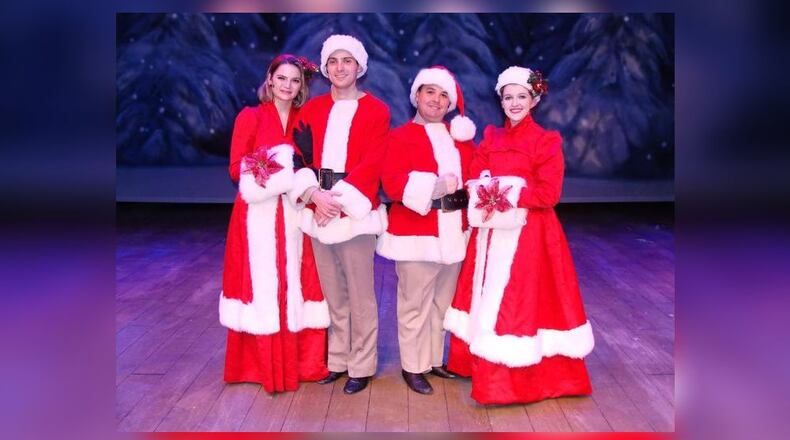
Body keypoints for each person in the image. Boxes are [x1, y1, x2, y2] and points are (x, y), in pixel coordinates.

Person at [443, 66, 595, 405]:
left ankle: (514, 379)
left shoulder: (546, 140)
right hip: (490, 235)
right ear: (501, 100)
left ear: (534, 99)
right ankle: (478, 363)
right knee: (484, 297)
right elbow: (474, 176)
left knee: (517, 303)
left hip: (530, 236)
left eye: (521, 97)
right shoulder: (491, 137)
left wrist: (504, 193)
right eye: (508, 97)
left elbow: (548, 194)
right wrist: (480, 186)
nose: (514, 103)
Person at [219, 54, 331, 394]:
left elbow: (313, 165)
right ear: (270, 80)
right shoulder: (250, 116)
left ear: (302, 87)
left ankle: (305, 364)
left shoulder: (305, 118)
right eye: (281, 78)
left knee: (301, 283)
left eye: (294, 81)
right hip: (258, 215)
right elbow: (236, 168)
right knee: (261, 284)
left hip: (296, 212)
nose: (287, 85)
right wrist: (277, 172)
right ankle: (259, 364)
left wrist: (305, 182)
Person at [288, 35, 391, 394]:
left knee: (361, 294)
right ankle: (339, 359)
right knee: (334, 292)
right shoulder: (313, 109)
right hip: (320, 209)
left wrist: (339, 202)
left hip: (353, 210)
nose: (340, 67)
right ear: (325, 68)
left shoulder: (376, 109)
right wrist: (315, 196)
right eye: (333, 61)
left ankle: (362, 365)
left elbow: (374, 160)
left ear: (359, 66)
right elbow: (299, 157)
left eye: (347, 60)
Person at [377, 66, 476, 394]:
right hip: (416, 235)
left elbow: (474, 180)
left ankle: (433, 359)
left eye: (443, 94)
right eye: (429, 92)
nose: (436, 99)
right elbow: (392, 185)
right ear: (416, 96)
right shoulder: (399, 136)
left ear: (450, 103)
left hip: (453, 233)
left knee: (441, 304)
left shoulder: (460, 141)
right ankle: (413, 367)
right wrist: (434, 186)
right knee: (414, 305)